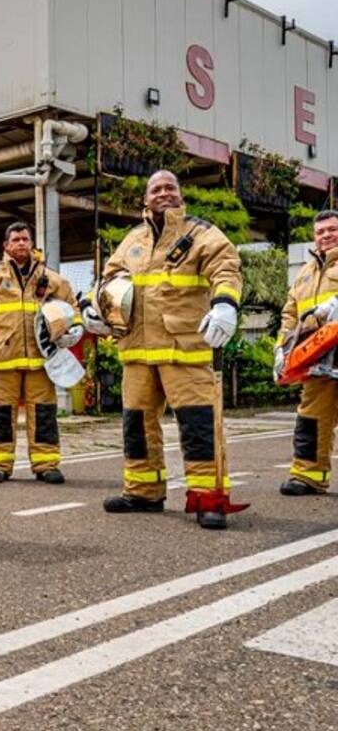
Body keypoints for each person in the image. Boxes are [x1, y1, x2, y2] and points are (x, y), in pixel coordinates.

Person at [82, 169, 243, 529]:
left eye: (170, 187)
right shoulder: (133, 239)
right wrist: (95, 309)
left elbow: (227, 269)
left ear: (180, 194)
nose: (163, 193)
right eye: (156, 188)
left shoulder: (202, 233)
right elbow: (109, 281)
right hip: (137, 351)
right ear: (146, 198)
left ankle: (208, 498)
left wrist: (225, 305)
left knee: (199, 425)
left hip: (183, 346)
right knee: (136, 427)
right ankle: (143, 491)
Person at [0, 222, 82, 484]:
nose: (20, 243)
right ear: (6, 246)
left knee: (43, 415)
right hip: (1, 359)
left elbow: (71, 309)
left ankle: (46, 464)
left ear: (32, 244)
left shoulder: (52, 279)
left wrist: (75, 329)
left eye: (25, 239)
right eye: (15, 239)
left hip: (41, 361)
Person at [276, 209, 338, 496]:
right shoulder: (305, 273)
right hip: (318, 355)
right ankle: (308, 475)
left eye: (332, 229)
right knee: (312, 415)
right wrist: (282, 347)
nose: (326, 235)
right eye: (321, 231)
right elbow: (290, 314)